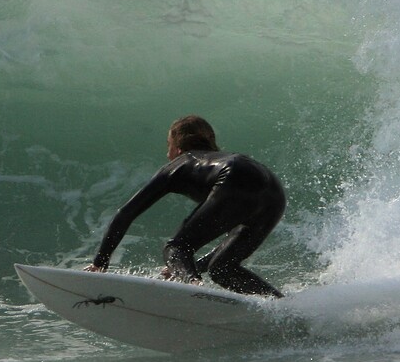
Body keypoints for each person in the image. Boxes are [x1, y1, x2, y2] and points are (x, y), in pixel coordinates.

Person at [84, 115, 286, 298]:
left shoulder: (180, 163)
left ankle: (194, 287)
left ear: (178, 147)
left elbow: (125, 213)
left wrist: (100, 262)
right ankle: (282, 307)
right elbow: (230, 240)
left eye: (168, 145)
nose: (167, 153)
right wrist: (185, 265)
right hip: (274, 193)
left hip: (233, 176)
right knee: (222, 269)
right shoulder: (218, 160)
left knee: (176, 246)